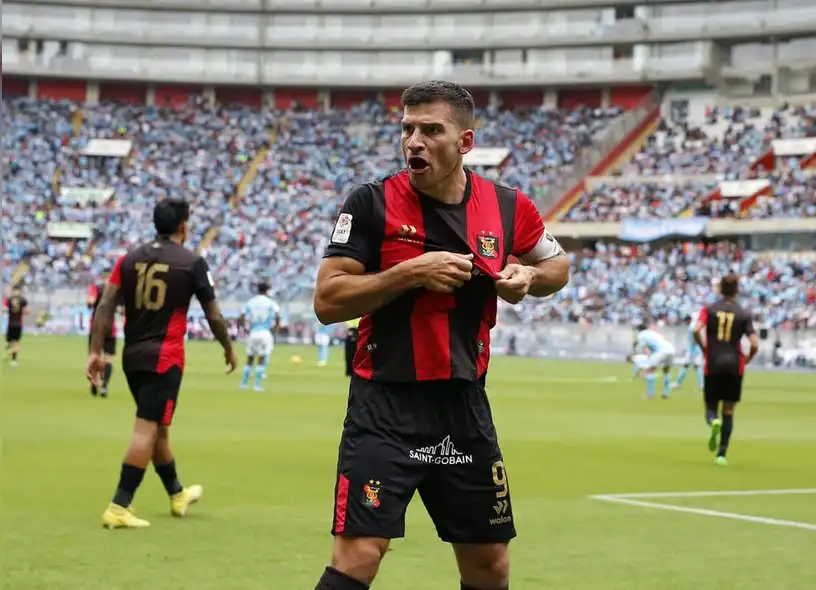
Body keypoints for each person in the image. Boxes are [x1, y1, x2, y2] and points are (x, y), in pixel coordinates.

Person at [311, 80, 570, 590]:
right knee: (359, 554)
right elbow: (328, 300)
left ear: (465, 142)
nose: (414, 142)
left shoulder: (507, 206)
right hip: (384, 405)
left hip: (464, 406)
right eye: (408, 129)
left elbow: (557, 265)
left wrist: (528, 276)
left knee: (490, 565)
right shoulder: (370, 203)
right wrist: (410, 272)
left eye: (431, 130)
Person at [86, 198, 238, 529]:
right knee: (147, 429)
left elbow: (105, 305)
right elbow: (213, 314)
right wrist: (228, 347)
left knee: (157, 428)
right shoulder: (191, 263)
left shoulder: (128, 259)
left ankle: (176, 493)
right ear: (184, 225)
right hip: (165, 358)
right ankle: (119, 505)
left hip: (132, 356)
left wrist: (95, 351)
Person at [692, 274, 760, 466]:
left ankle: (713, 420)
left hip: (713, 362)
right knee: (728, 410)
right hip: (734, 365)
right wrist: (747, 359)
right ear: (737, 290)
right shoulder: (743, 314)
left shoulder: (709, 309)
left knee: (711, 406)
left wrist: (704, 348)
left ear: (720, 289)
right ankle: (721, 455)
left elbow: (696, 329)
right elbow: (755, 343)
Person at [240, 281, 281, 391]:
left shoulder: (250, 302)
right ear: (267, 290)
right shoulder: (271, 303)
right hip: (265, 333)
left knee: (250, 358)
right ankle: (257, 385)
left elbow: (242, 316)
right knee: (262, 359)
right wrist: (276, 328)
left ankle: (243, 384)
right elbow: (278, 315)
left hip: (253, 332)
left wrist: (245, 328)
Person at [87, 274, 120, 398]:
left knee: (94, 356)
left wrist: (92, 302)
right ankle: (104, 386)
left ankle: (94, 382)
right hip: (111, 327)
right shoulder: (116, 290)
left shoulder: (96, 287)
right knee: (108, 359)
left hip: (96, 327)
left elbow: (90, 301)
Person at [631, 320, 676, 399]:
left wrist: (648, 361)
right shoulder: (652, 332)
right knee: (666, 371)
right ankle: (666, 393)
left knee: (650, 370)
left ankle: (650, 394)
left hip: (660, 351)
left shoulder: (641, 335)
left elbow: (645, 349)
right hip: (671, 349)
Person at [673, 313, 705, 392]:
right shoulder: (693, 325)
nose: (685, 322)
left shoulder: (691, 327)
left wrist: (691, 351)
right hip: (695, 350)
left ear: (688, 320)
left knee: (687, 366)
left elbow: (695, 339)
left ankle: (678, 383)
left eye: (685, 320)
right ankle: (701, 385)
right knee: (696, 367)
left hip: (692, 351)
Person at [4, 285, 29, 367]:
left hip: (17, 324)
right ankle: (11, 352)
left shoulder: (19, 300)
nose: (16, 292)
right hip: (11, 323)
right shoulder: (11, 300)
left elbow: (26, 311)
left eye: (17, 290)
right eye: (16, 290)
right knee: (9, 341)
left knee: (16, 342)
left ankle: (14, 359)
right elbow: (27, 312)